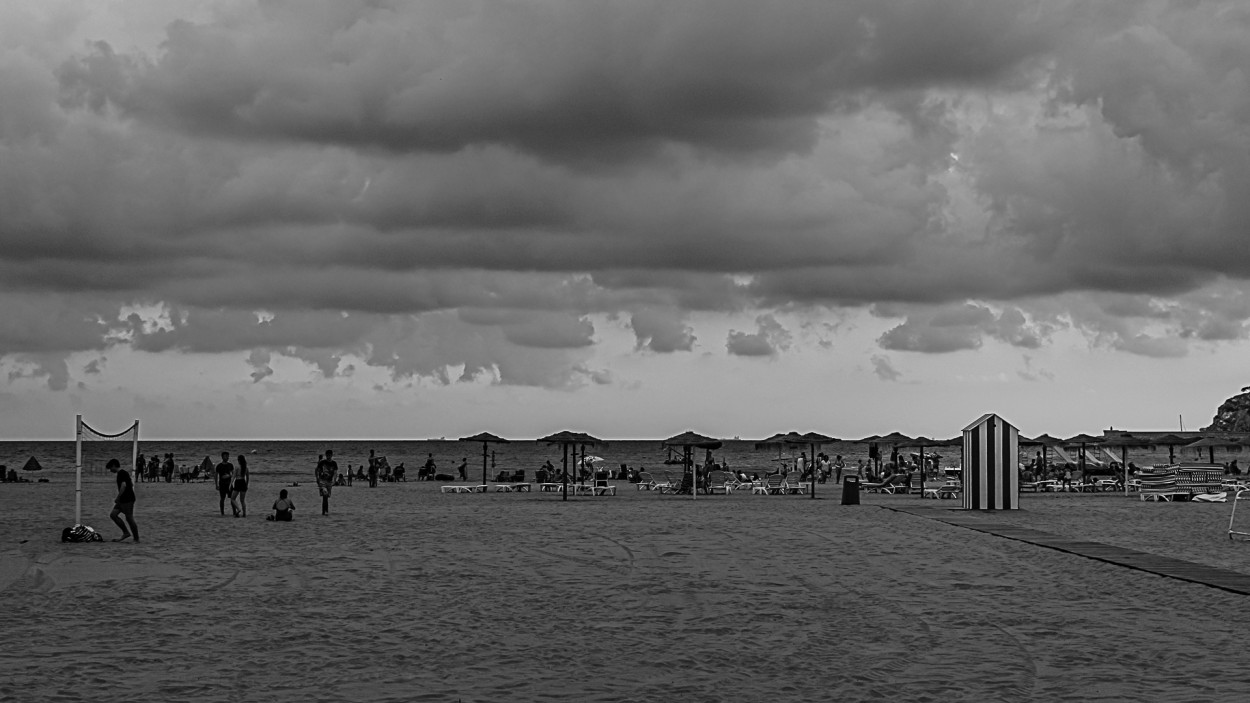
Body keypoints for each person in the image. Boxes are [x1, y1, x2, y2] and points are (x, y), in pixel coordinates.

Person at [107, 458, 139, 542]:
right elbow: (131, 483)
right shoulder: (123, 473)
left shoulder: (122, 473)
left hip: (127, 499)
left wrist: (118, 497)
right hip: (123, 500)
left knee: (129, 518)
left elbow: (123, 485)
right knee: (113, 515)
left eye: (110, 468)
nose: (110, 470)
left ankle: (136, 539)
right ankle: (126, 532)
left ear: (114, 465)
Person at [316, 450, 338, 515]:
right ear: (326, 455)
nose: (328, 456)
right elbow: (317, 470)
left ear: (331, 455)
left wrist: (334, 480)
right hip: (322, 481)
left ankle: (326, 510)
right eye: (327, 455)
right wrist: (317, 478)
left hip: (329, 481)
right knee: (324, 495)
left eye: (329, 455)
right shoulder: (322, 462)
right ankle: (324, 511)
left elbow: (335, 472)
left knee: (327, 497)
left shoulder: (334, 463)